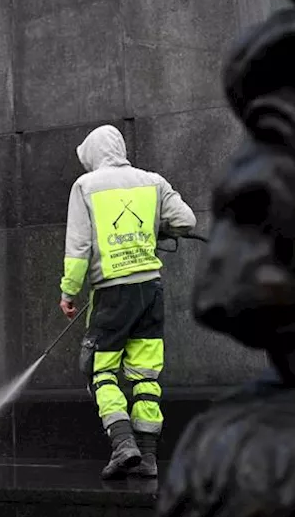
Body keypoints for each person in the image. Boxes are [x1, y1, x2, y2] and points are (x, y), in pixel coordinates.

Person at [59, 124, 196, 480]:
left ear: (92, 153)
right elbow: (185, 220)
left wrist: (69, 292)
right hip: (150, 291)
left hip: (112, 295)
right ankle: (148, 457)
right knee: (145, 375)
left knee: (100, 369)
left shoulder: (85, 186)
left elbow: (78, 250)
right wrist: (157, 229)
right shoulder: (153, 181)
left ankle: (123, 444)